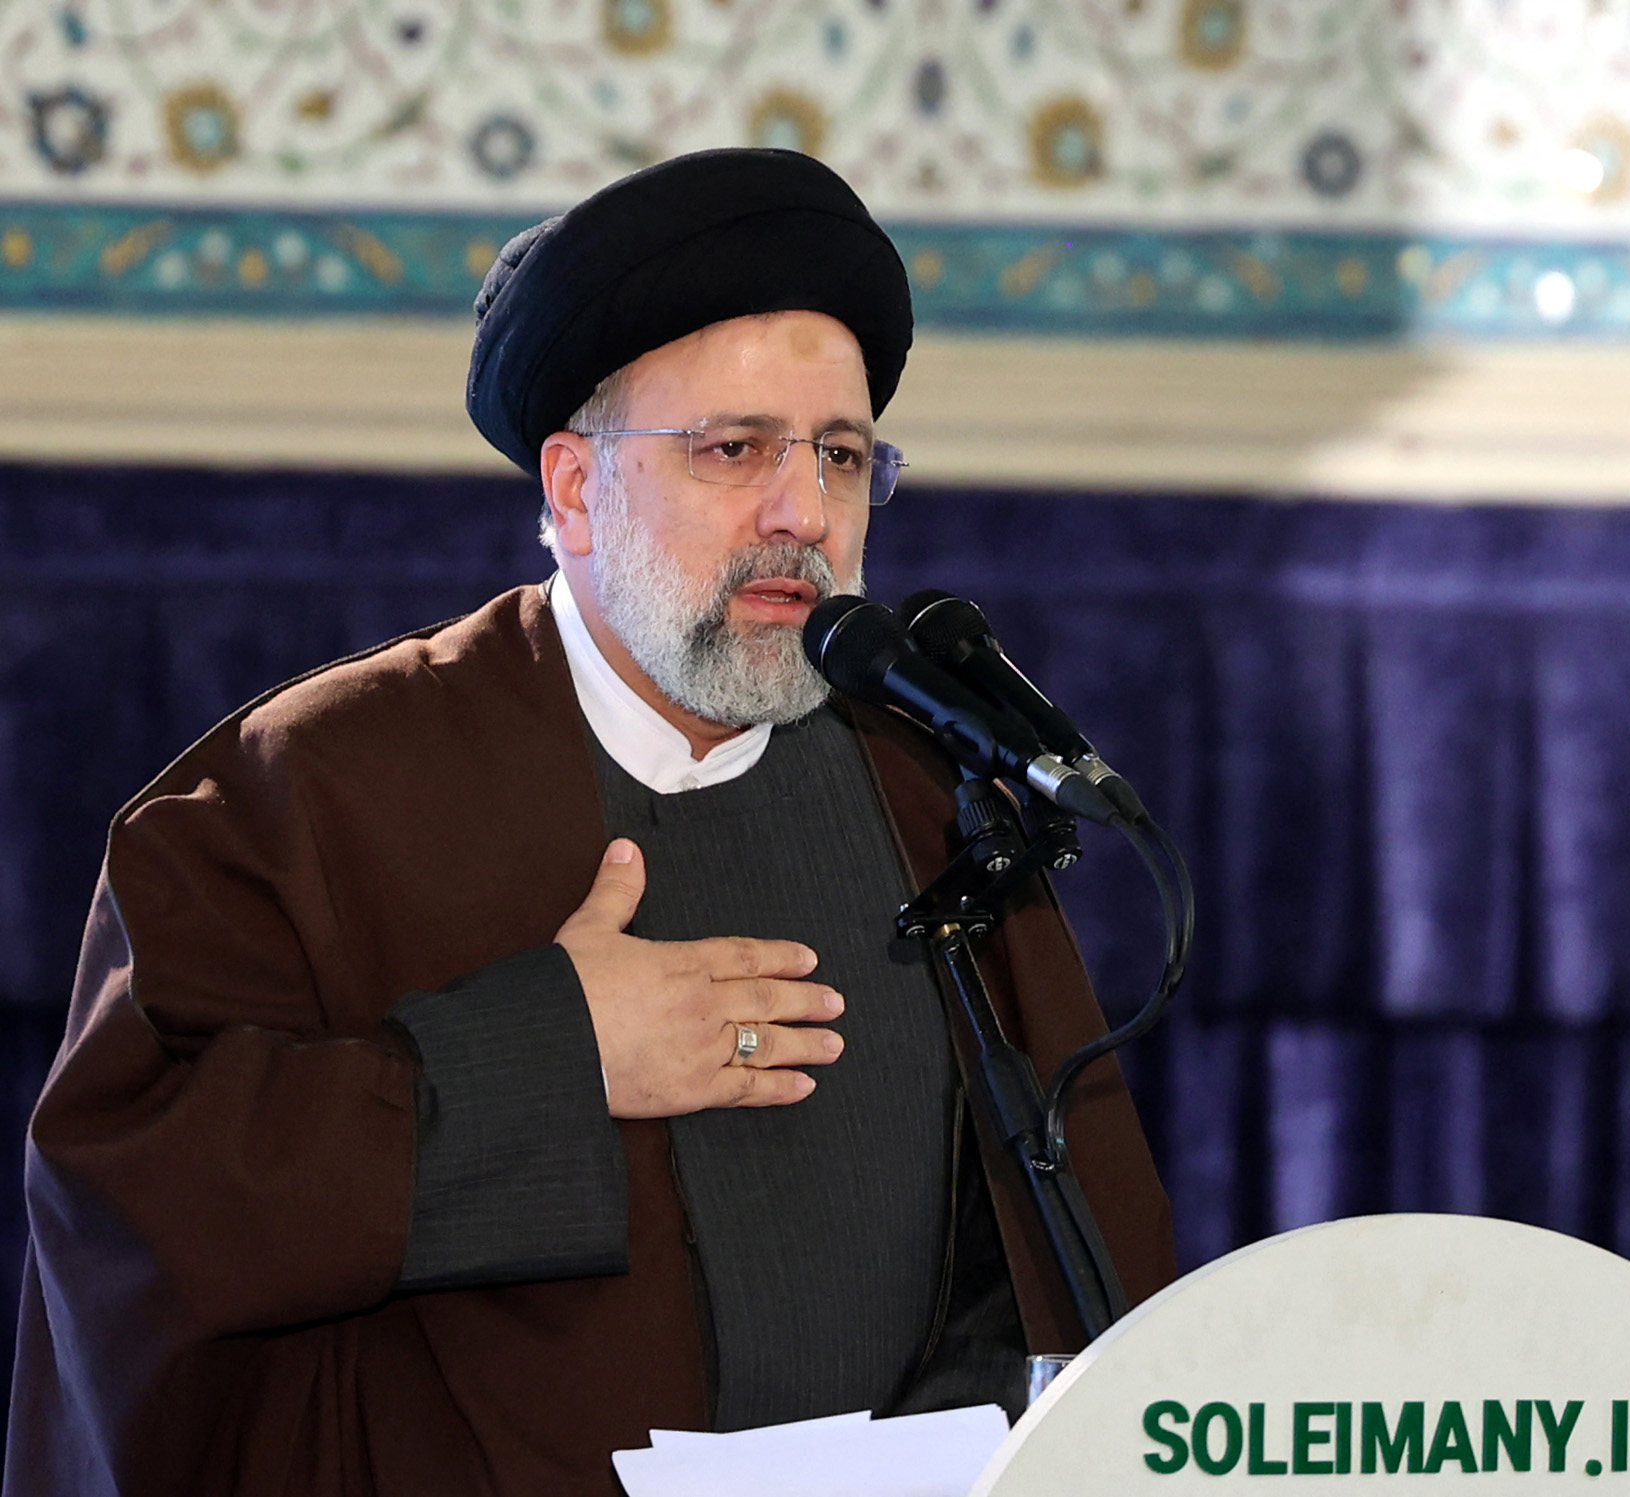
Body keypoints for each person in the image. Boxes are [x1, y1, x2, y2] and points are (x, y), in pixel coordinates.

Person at [5, 149, 1174, 1497]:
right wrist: (556, 1055)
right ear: (570, 490)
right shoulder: (309, 792)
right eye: (736, 449)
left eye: (842, 456)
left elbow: (1048, 1274)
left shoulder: (936, 791)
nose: (803, 513)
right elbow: (134, 1197)